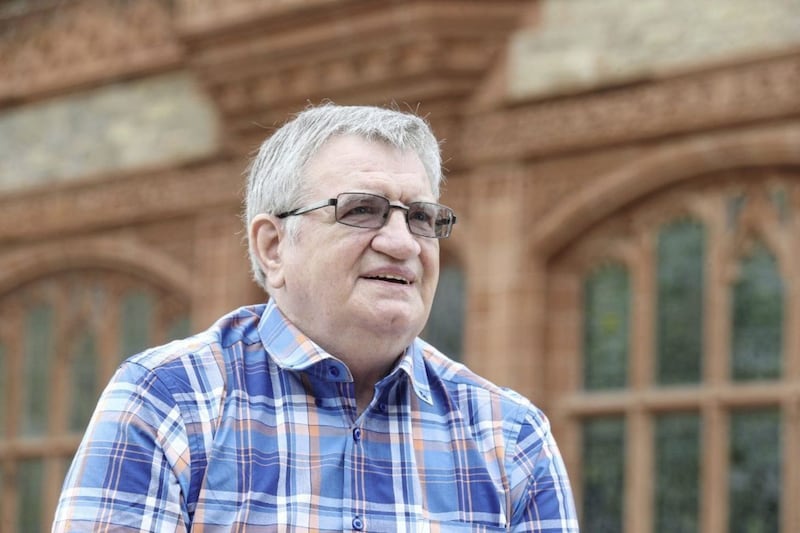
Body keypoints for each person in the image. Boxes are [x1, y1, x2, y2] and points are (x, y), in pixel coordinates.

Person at [53, 104, 579, 532]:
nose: (401, 243)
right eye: (361, 210)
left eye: (420, 217)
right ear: (274, 245)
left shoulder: (510, 435)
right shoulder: (169, 401)